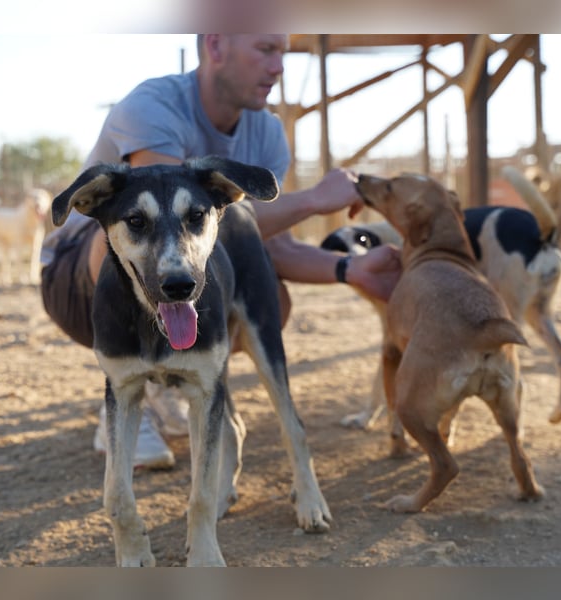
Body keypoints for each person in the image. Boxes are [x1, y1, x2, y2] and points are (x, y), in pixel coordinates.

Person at [41, 34, 401, 469]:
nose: (279, 68)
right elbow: (161, 223)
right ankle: (134, 389)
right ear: (215, 45)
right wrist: (313, 199)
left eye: (282, 53)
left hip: (184, 281)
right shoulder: (153, 105)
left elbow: (272, 246)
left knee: (274, 299)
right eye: (266, 49)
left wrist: (350, 269)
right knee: (138, 234)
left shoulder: (266, 132)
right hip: (77, 280)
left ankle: (171, 377)